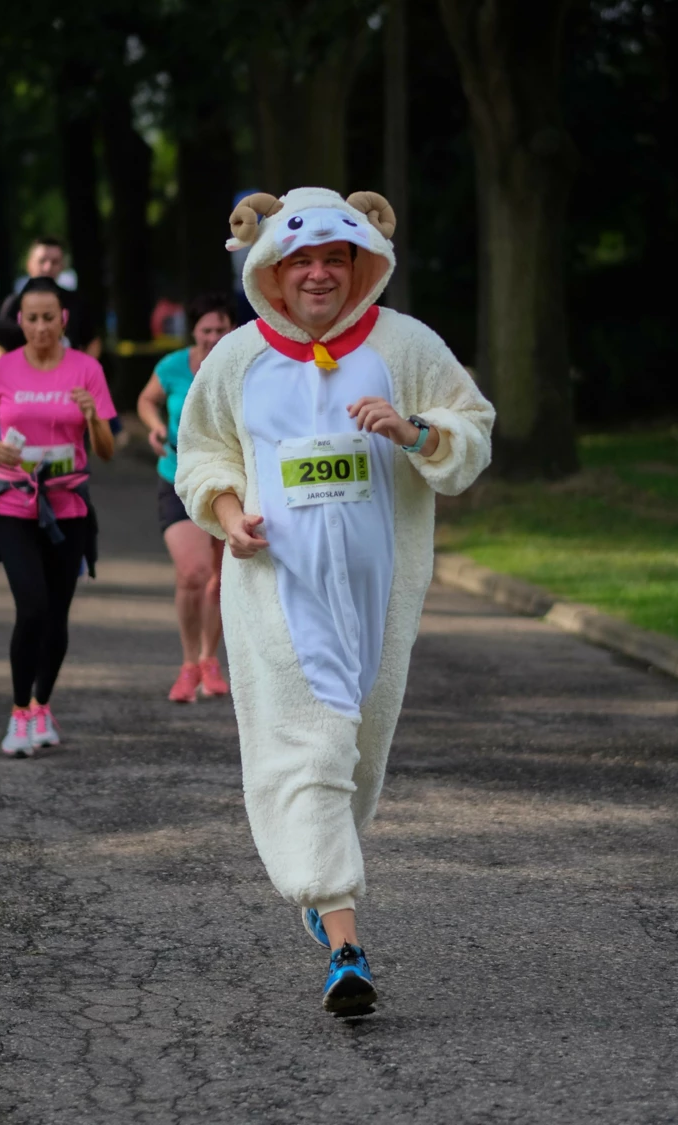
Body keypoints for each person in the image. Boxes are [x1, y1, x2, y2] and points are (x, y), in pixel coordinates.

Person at [175, 188, 495, 1017]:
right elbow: (202, 455)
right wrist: (226, 515)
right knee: (310, 753)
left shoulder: (404, 343)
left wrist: (414, 429)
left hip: (379, 598)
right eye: (300, 260)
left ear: (363, 262)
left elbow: (471, 431)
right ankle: (347, 946)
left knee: (355, 760)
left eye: (334, 259)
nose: (318, 275)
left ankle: (322, 891)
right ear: (271, 268)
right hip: (275, 597)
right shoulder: (236, 358)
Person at [0, 277, 116, 757]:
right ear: (20, 321)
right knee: (31, 608)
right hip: (15, 504)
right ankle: (19, 714)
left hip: (68, 508)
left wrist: (93, 419)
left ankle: (42, 704)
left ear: (63, 319)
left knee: (56, 614)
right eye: (32, 318)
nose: (41, 326)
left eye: (50, 317)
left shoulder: (86, 369)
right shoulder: (1, 370)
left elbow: (107, 452)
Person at [137, 293, 234, 702]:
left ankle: (210, 660)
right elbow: (146, 400)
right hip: (177, 477)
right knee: (192, 572)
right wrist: (155, 427)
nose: (213, 337)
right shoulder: (173, 366)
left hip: (229, 480)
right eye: (206, 330)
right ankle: (187, 662)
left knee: (220, 579)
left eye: (221, 330)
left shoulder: (241, 363)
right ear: (194, 331)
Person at [0, 237, 102, 362]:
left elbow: (92, 342)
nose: (48, 267)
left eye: (55, 262)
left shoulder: (76, 302)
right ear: (29, 264)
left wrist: (83, 372)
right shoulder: (14, 303)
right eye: (42, 261)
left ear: (62, 266)